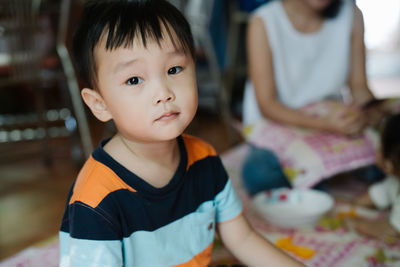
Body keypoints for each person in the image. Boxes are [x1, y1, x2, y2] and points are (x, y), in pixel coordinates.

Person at [58, 1, 304, 266]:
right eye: (134, 80)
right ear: (100, 104)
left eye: (174, 70)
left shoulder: (204, 160)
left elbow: (242, 239)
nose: (163, 93)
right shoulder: (96, 200)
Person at [241, 0, 382, 195]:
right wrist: (324, 124)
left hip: (332, 119)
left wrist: (366, 114)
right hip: (282, 121)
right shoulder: (264, 21)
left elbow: (359, 87)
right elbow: (267, 105)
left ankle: (321, 181)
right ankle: (331, 179)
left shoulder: (351, 13)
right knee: (259, 172)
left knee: (389, 148)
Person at [350, 114, 400, 240]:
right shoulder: (395, 181)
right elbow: (372, 197)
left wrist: (356, 224)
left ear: (389, 163)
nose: (376, 151)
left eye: (380, 147)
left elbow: (392, 230)